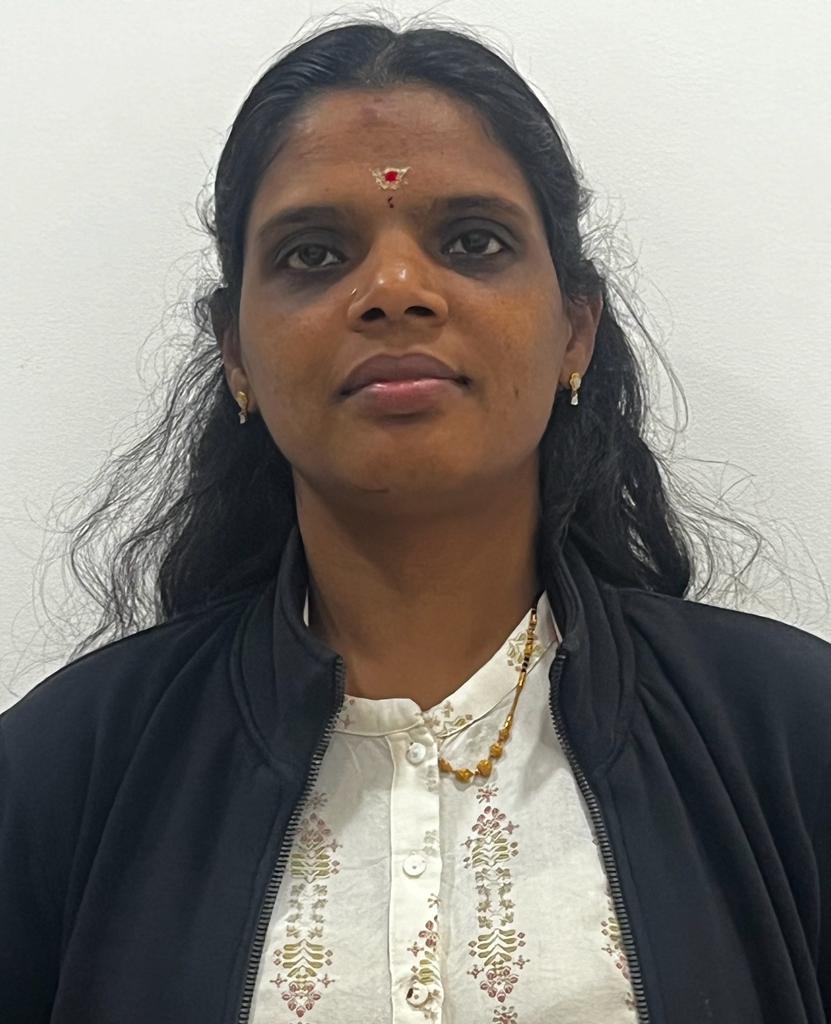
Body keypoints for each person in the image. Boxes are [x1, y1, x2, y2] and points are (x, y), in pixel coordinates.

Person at [1, 14, 829, 1024]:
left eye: (472, 242)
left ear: (576, 328)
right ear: (236, 353)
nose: (394, 291)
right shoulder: (64, 773)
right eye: (315, 254)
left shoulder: (788, 738)